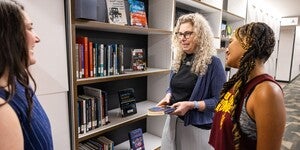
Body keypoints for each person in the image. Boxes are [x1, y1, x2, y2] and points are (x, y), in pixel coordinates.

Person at [209, 22, 286, 150]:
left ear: (247, 42)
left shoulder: (267, 92)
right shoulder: (237, 83)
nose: (226, 49)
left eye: (231, 42)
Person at [157, 13, 226, 150]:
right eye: (180, 34)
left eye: (188, 33)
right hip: (173, 122)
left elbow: (220, 101)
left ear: (200, 35)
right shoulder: (179, 59)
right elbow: (173, 86)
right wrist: (168, 95)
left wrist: (191, 105)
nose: (182, 38)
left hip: (197, 128)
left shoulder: (213, 63)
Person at [0, 0, 53, 149]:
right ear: (7, 37)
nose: (37, 38)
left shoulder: (20, 83)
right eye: (29, 28)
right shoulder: (2, 110)